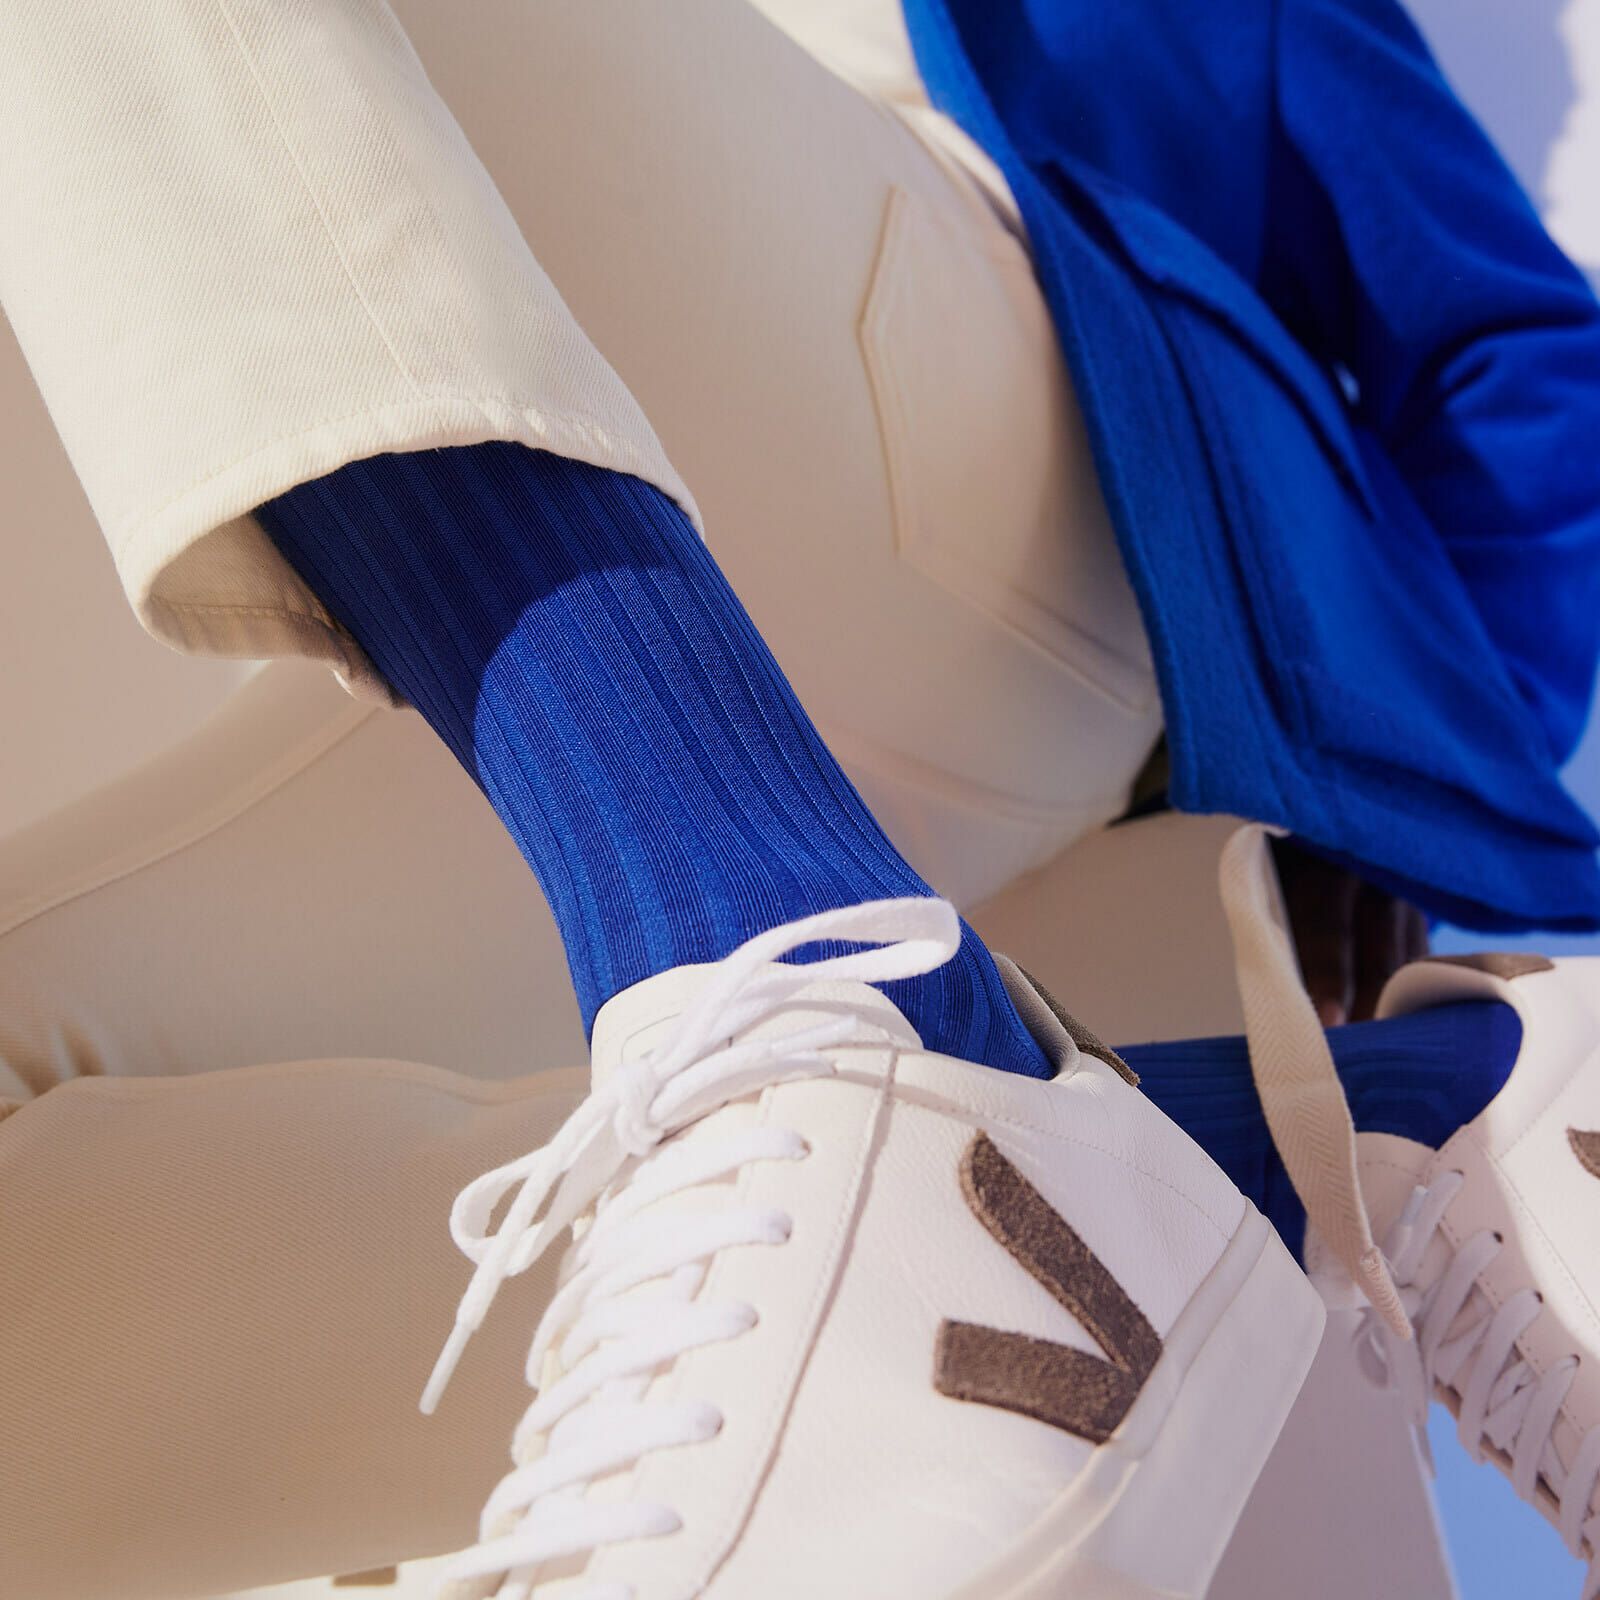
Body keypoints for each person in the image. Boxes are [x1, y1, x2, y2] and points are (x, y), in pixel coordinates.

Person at [2, 1, 1599, 1596]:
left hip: (979, 470)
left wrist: (1371, 776)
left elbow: (1524, 383)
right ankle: (1328, 1148)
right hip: (397, 519)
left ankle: (799, 954)